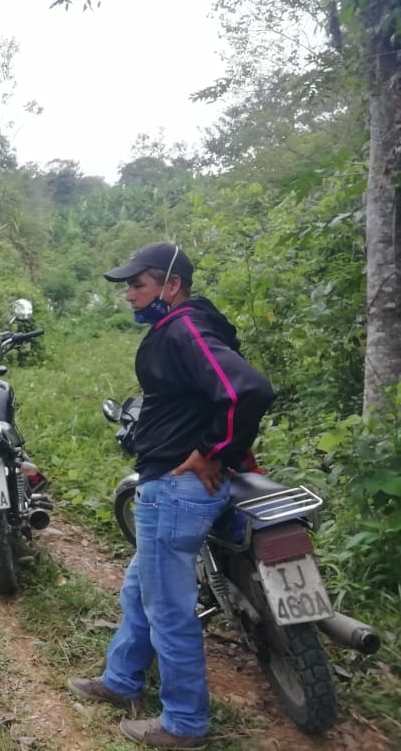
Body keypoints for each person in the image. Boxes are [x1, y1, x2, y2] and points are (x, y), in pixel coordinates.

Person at [68, 242, 275, 749]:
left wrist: (212, 451)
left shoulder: (185, 327)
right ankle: (121, 679)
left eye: (138, 284)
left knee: (168, 608)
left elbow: (247, 390)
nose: (129, 295)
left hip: (175, 490)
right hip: (167, 488)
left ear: (172, 284)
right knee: (139, 589)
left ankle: (184, 722)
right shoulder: (183, 327)